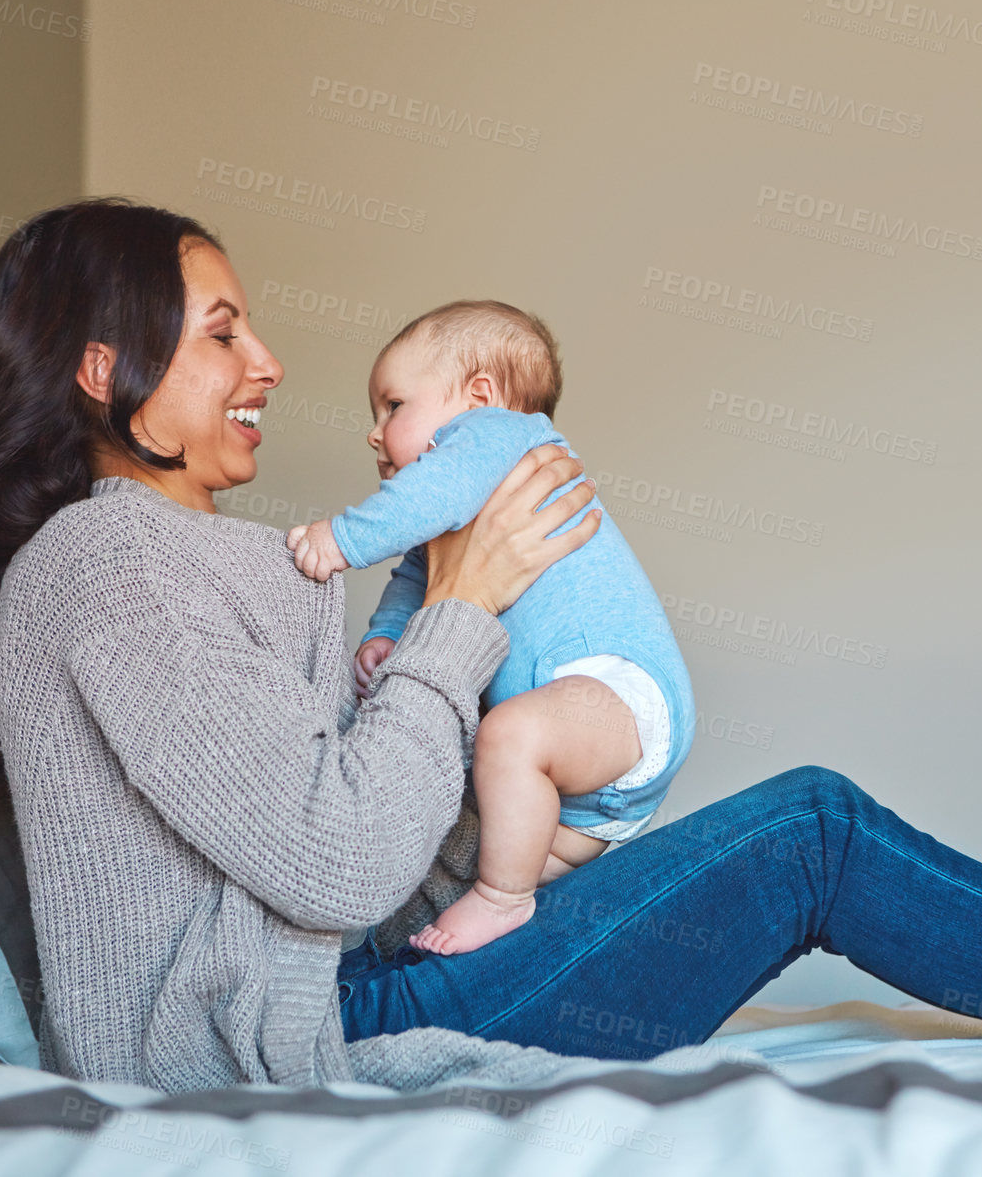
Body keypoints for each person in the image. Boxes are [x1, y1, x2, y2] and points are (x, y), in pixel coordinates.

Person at [0, 198, 982, 1096]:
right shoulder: (105, 560)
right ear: (100, 363)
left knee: (802, 829)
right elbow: (328, 870)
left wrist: (508, 852)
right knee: (808, 829)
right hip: (307, 1044)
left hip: (362, 985)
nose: (268, 362)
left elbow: (324, 835)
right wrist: (467, 600)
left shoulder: (196, 560)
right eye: (219, 332)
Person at [284, 300, 695, 955]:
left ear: (478, 397)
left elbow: (415, 505)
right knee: (505, 847)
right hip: (587, 796)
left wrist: (339, 538)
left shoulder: (502, 435)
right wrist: (384, 639)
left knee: (505, 741)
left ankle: (504, 897)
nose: (373, 431)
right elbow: (414, 582)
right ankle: (502, 911)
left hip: (612, 688)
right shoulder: (454, 508)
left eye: (392, 406)